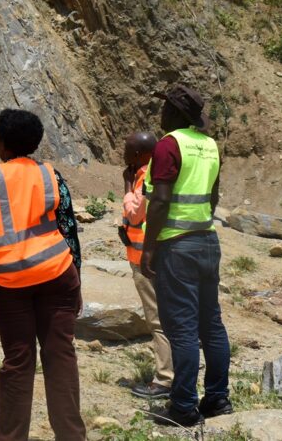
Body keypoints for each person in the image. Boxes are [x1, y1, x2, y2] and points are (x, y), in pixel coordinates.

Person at [0, 109, 86, 441]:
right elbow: (68, 227)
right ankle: (72, 436)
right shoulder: (49, 174)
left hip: (7, 283)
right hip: (57, 275)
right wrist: (77, 280)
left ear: (1, 143)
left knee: (18, 359)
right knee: (60, 354)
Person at [140, 85, 231, 427]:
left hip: (176, 246)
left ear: (176, 113)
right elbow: (214, 194)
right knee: (212, 325)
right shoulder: (209, 145)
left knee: (181, 330)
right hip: (207, 241)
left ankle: (182, 408)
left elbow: (161, 200)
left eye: (166, 108)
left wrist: (149, 248)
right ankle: (218, 398)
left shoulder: (169, 144)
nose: (161, 114)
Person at [118, 131, 173, 400]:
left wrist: (127, 188)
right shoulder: (161, 171)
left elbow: (136, 213)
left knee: (157, 319)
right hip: (162, 255)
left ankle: (164, 380)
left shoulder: (144, 177)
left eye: (128, 150)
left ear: (140, 155)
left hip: (145, 260)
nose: (123, 154)